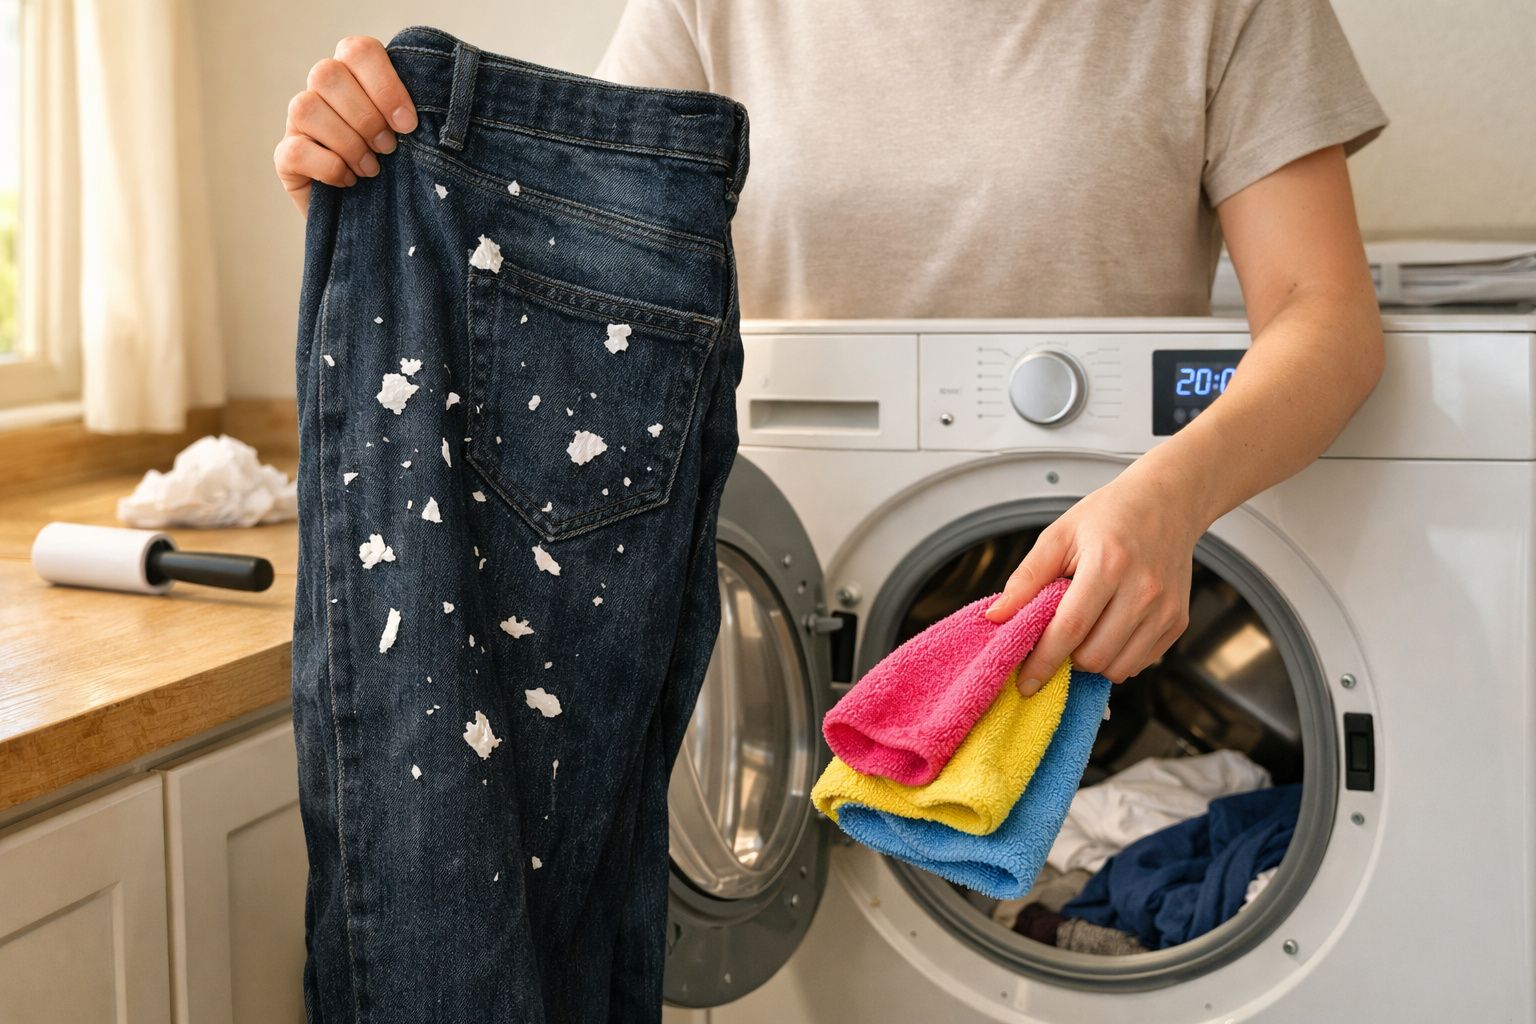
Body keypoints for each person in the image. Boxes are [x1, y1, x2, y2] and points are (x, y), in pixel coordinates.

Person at [276, 1, 1387, 703]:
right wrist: (372, 186)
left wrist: (1169, 501)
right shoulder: (711, 8)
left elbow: (1325, 317)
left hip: (1090, 606)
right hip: (771, 612)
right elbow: (558, 291)